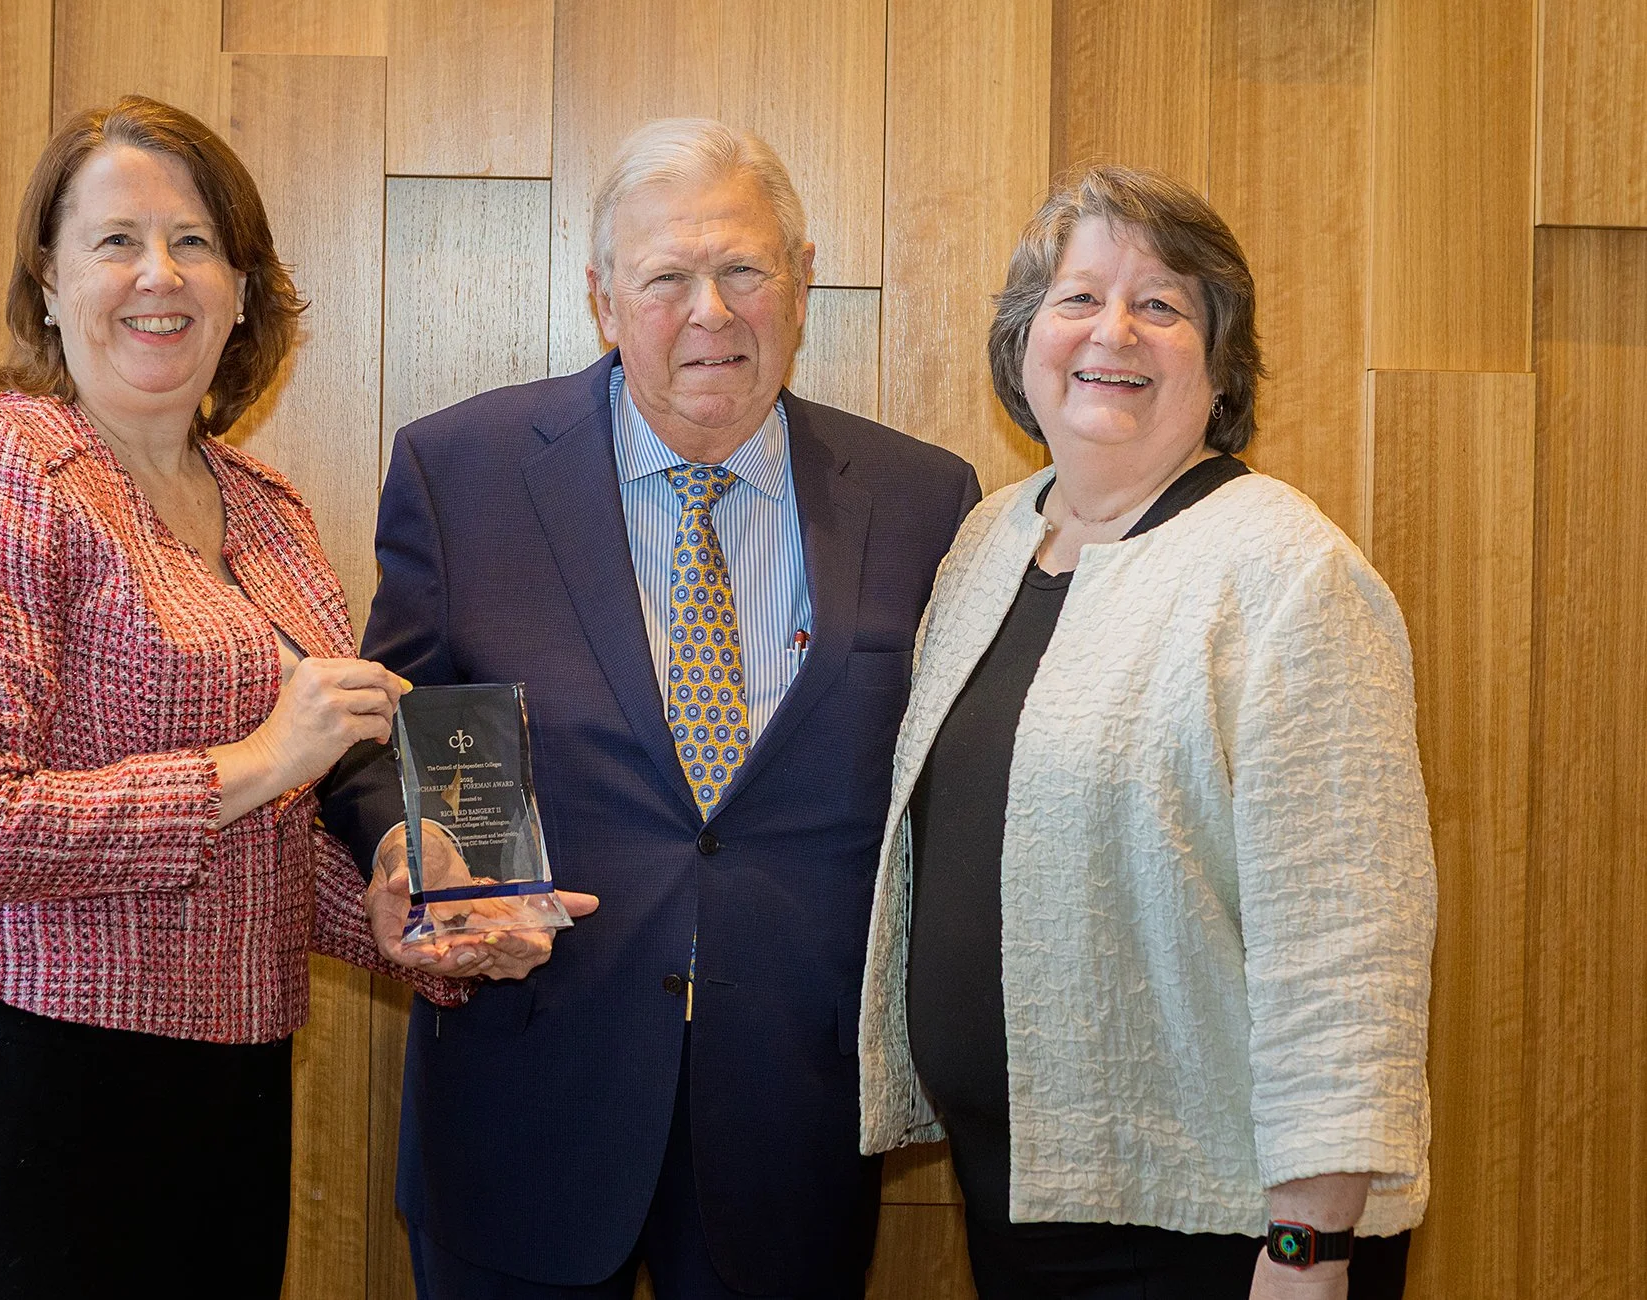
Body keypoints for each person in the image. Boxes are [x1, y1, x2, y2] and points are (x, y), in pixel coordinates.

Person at [322, 117, 982, 1298]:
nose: (712, 313)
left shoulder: (924, 500)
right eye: (667, 277)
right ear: (602, 299)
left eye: (744, 269)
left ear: (804, 277)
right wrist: (395, 841)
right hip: (524, 1090)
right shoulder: (461, 472)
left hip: (792, 1114)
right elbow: (383, 729)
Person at [0, 95, 459, 1300]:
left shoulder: (270, 507)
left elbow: (266, 838)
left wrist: (391, 919)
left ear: (242, 288)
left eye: (194, 242)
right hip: (28, 1076)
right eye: (115, 240)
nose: (158, 275)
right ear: (49, 280)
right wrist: (259, 760)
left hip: (228, 1084)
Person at [857, 164, 1436, 1300]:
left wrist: (1308, 1253)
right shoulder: (989, 543)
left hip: (1220, 1230)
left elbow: (1348, 949)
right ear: (1025, 340)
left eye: (1161, 305)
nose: (1112, 332)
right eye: (1077, 299)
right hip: (1026, 1193)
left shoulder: (1286, 574)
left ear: (1220, 365)